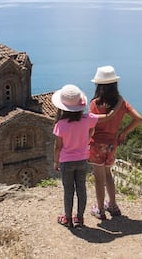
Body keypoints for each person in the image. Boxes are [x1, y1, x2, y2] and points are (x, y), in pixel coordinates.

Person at [52, 84, 121, 228]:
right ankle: (79, 218)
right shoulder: (88, 119)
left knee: (68, 191)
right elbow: (108, 116)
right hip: (82, 160)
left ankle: (68, 218)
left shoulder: (60, 124)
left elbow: (58, 147)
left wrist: (56, 162)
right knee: (81, 189)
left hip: (66, 162)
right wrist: (119, 102)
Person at [89, 66, 142, 220]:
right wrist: (123, 132)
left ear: (99, 85)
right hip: (112, 144)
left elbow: (91, 125)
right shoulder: (121, 103)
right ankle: (112, 205)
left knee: (99, 178)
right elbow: (138, 119)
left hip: (97, 144)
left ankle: (100, 210)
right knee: (108, 174)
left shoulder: (95, 103)